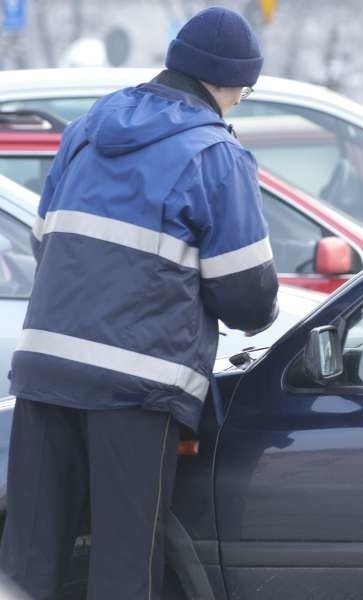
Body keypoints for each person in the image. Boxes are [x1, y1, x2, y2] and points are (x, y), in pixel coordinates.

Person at [0, 6, 278, 599]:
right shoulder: (214, 154)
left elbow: (46, 239)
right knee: (126, 567)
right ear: (227, 82)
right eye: (244, 92)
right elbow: (246, 296)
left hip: (44, 371)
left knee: (25, 566)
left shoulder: (88, 129)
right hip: (134, 388)